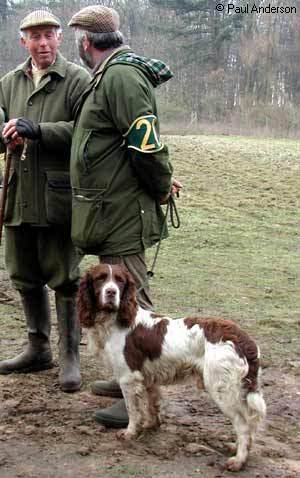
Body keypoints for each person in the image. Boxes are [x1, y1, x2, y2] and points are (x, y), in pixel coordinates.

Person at [68, 4, 181, 427]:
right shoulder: (110, 73)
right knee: (121, 308)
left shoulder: (121, 76)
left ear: (85, 41)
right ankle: (124, 378)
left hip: (122, 213)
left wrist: (159, 184)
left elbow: (146, 144)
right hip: (108, 210)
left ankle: (140, 397)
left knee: (137, 309)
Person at [0, 10, 91, 392]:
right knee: (23, 273)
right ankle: (37, 349)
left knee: (65, 278)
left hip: (58, 197)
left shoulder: (77, 80)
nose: (42, 44)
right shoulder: (8, 83)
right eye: (34, 37)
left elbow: (87, 132)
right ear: (24, 42)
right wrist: (7, 135)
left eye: (49, 36)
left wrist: (36, 130)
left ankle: (70, 355)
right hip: (18, 194)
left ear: (60, 39)